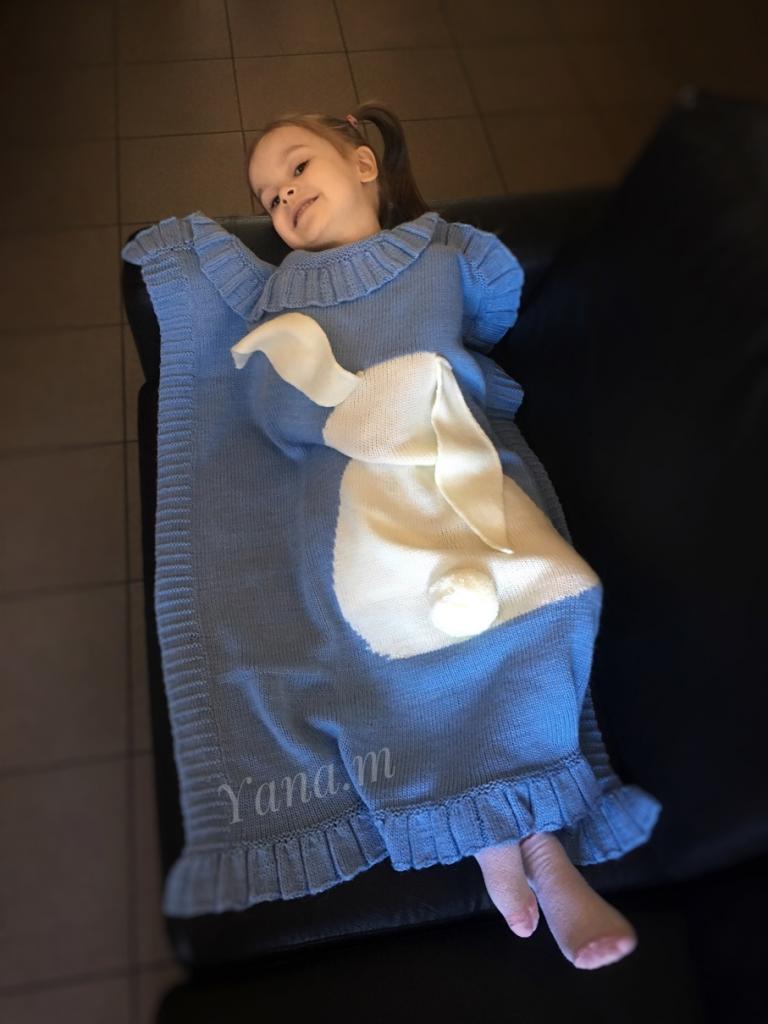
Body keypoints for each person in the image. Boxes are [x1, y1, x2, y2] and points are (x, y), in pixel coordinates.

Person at [235, 101, 661, 970]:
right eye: (269, 197)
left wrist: (442, 345)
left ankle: (540, 846)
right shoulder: (285, 292)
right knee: (404, 641)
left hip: (458, 467)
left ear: (363, 163)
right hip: (364, 489)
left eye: (298, 167)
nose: (284, 197)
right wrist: (355, 411)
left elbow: (491, 315)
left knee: (547, 595)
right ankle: (505, 848)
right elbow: (272, 399)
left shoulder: (437, 251)